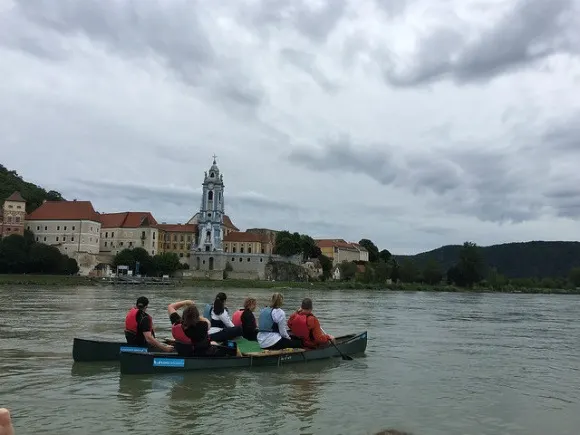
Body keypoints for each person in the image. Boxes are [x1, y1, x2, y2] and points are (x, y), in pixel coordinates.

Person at [167, 299, 240, 357]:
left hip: (184, 351)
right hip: (201, 353)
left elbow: (171, 306)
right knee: (233, 347)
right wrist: (197, 316)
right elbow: (208, 323)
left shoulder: (176, 323)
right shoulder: (202, 325)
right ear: (197, 316)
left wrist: (185, 302)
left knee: (213, 343)